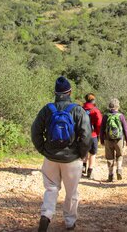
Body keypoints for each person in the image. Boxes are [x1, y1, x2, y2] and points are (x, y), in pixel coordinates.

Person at [31, 76, 92, 231]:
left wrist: (43, 149)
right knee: (71, 192)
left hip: (50, 158)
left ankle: (46, 215)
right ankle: (70, 222)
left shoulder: (47, 109)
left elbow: (35, 131)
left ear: (55, 93)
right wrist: (82, 153)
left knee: (51, 189)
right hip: (71, 159)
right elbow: (86, 135)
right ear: (70, 92)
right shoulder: (77, 110)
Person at [100, 98, 127, 182]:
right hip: (119, 139)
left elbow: (102, 128)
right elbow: (125, 128)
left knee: (109, 157)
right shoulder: (120, 116)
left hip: (108, 139)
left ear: (109, 106)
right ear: (118, 106)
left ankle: (110, 175)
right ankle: (119, 169)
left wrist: (102, 140)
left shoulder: (106, 116)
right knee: (119, 155)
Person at [82, 93, 102, 179]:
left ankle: (82, 169)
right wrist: (97, 133)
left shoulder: (81, 109)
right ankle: (90, 171)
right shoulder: (95, 110)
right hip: (93, 135)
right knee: (92, 153)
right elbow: (99, 123)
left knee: (84, 152)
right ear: (93, 100)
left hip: (82, 134)